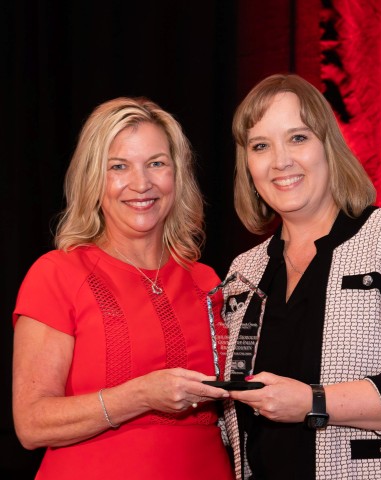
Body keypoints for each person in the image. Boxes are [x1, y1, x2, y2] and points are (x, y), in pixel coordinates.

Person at [220, 73, 381, 480]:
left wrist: (313, 401)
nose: (280, 160)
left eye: (298, 138)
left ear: (329, 148)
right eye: (261, 146)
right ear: (248, 164)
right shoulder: (242, 273)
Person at [12, 97, 235, 479]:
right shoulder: (57, 273)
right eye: (119, 166)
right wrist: (140, 396)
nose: (141, 183)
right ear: (93, 179)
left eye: (156, 163)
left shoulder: (209, 281)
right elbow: (31, 424)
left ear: (177, 175)